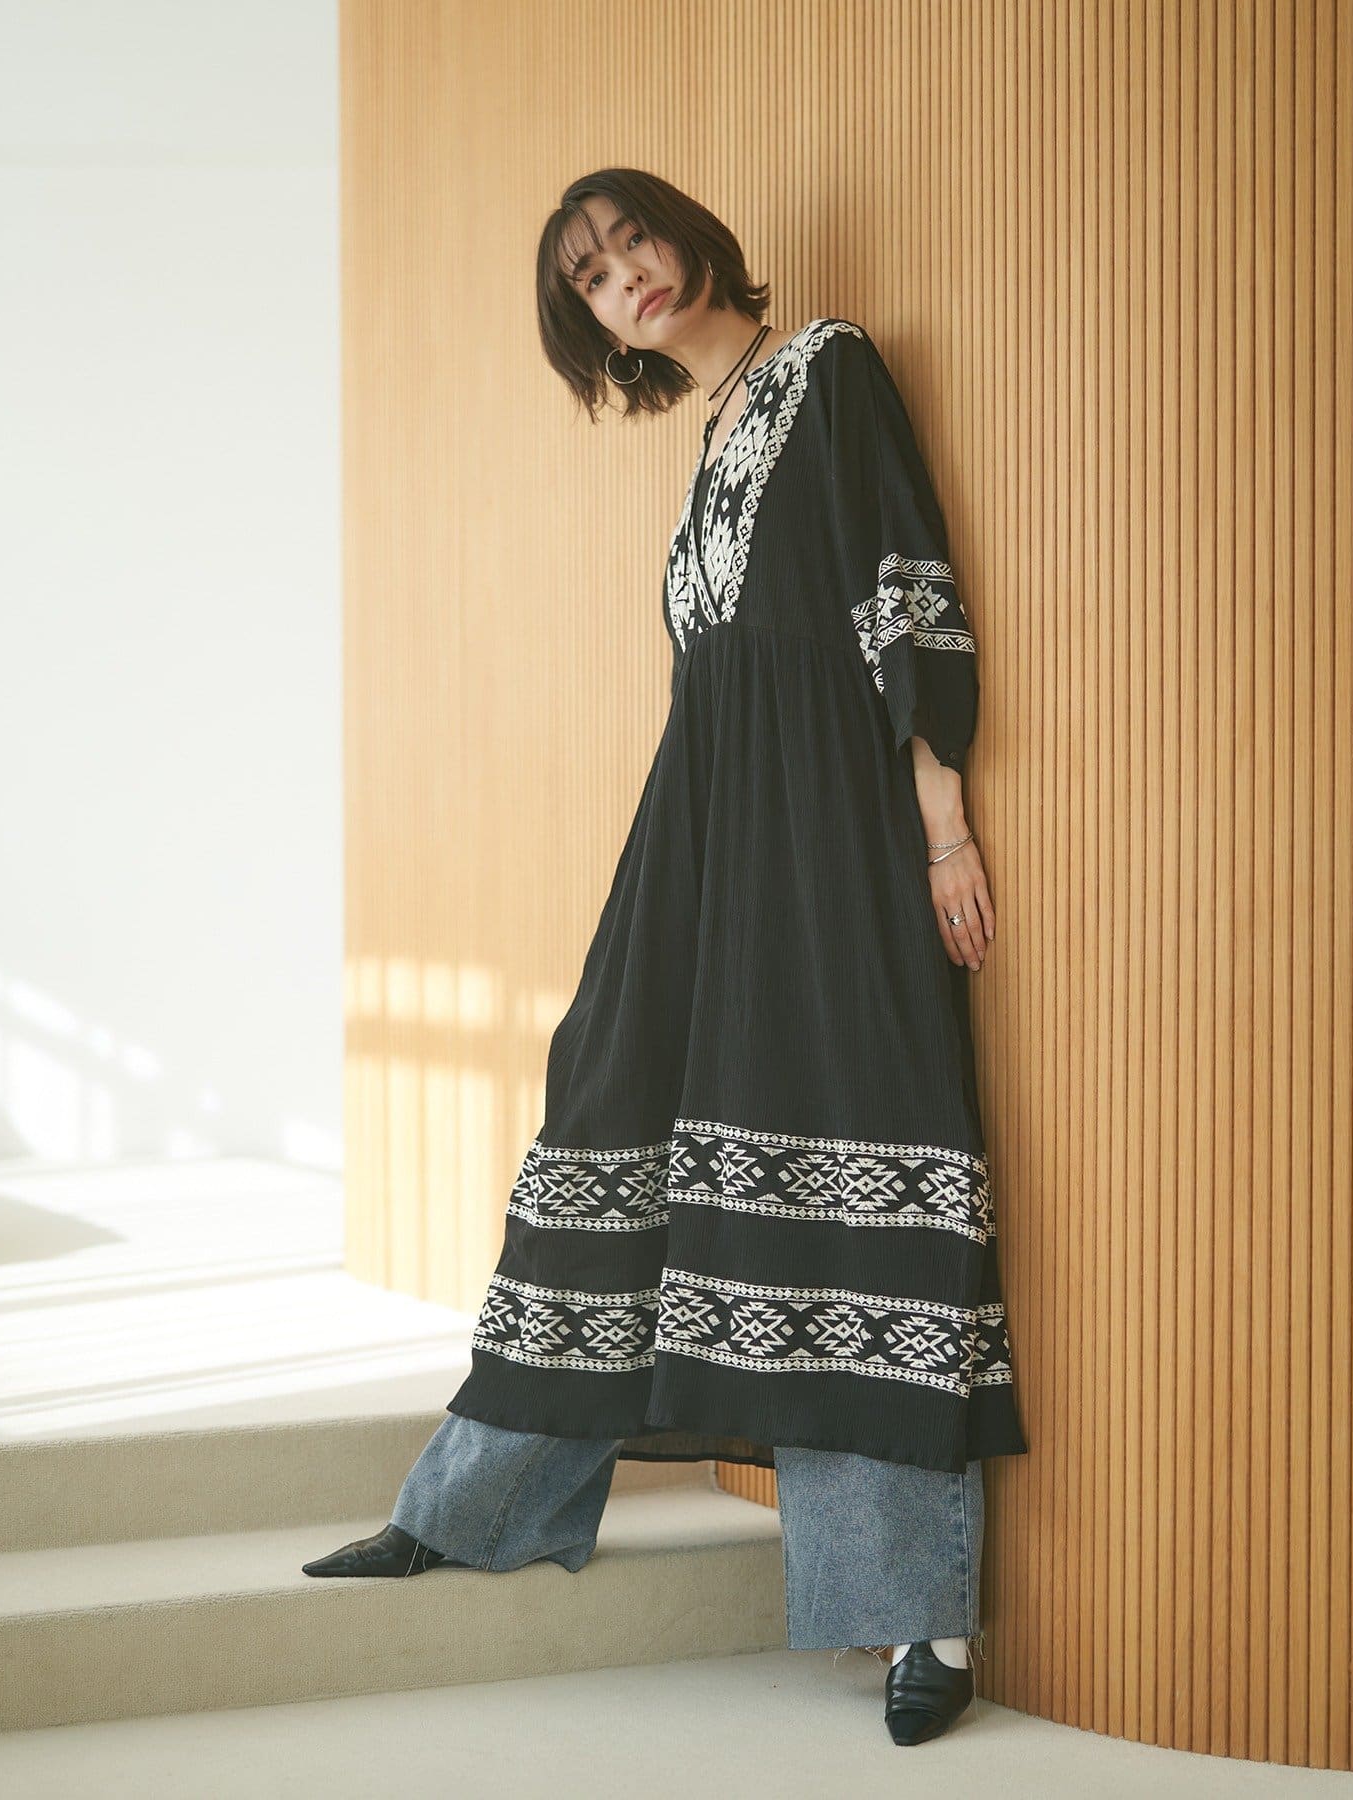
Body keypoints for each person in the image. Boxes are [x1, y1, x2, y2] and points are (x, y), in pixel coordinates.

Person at [305, 167, 1029, 1747]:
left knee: (854, 1146)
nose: (621, 272)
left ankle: (915, 1615)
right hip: (699, 843)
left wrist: (942, 823)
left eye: (631, 238)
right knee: (608, 1111)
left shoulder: (827, 371)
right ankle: (469, 1505)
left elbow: (902, 583)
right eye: (587, 272)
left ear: (689, 239)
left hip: (826, 843)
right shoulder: (708, 449)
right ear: (590, 322)